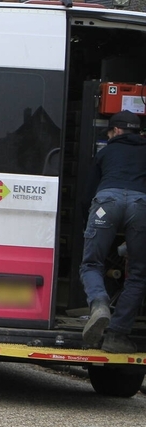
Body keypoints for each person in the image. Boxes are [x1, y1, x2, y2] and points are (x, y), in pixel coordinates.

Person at [80, 110, 146, 354]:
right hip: (140, 206)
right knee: (138, 273)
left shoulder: (105, 152)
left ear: (116, 130)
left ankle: (99, 305)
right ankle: (117, 335)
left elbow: (87, 196)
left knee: (91, 264)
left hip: (106, 205)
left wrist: (88, 224)